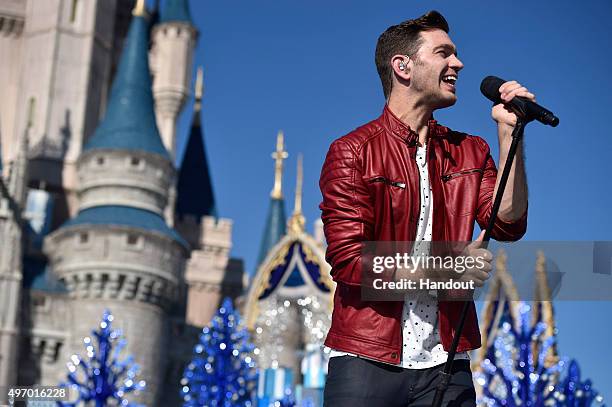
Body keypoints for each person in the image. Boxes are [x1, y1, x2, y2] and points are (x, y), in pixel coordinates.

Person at [319, 10, 530, 407]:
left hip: (447, 364)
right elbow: (350, 262)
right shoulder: (352, 152)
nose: (458, 64)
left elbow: (507, 223)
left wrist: (510, 135)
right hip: (366, 362)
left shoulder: (470, 150)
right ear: (403, 66)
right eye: (443, 53)